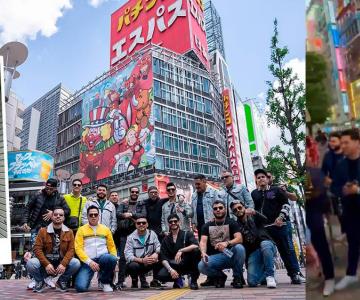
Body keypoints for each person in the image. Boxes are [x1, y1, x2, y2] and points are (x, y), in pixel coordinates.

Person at [251, 169, 302, 284]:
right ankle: (267, 276)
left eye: (263, 177)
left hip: (279, 226)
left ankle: (294, 274)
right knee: (265, 249)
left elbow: (286, 204)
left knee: (285, 251)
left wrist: (281, 217)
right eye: (258, 178)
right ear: (256, 180)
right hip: (264, 230)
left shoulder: (276, 190)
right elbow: (254, 209)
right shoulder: (254, 193)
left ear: (267, 179)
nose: (261, 179)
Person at [306, 135, 335, 296]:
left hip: (315, 214)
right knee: (315, 246)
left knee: (321, 244)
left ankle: (329, 277)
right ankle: (323, 273)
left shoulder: (316, 172)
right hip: (306, 216)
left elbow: (322, 196)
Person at [26, 207, 80, 293]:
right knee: (31, 263)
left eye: (61, 215)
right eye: (55, 214)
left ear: (64, 218)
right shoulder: (43, 231)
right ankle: (40, 281)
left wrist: (63, 264)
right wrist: (46, 264)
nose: (58, 216)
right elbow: (37, 249)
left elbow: (71, 250)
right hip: (45, 263)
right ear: (52, 217)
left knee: (76, 263)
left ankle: (61, 281)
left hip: (60, 263)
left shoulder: (69, 232)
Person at [331, 128, 360, 290]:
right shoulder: (341, 165)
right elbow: (335, 187)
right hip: (350, 211)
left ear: (357, 142)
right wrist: (343, 189)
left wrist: (357, 190)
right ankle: (350, 275)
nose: (343, 146)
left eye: (346, 142)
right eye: (341, 143)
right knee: (353, 243)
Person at [198, 200, 246, 289]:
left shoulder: (231, 222)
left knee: (239, 248)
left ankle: (237, 277)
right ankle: (220, 276)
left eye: (220, 208)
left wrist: (227, 243)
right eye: (215, 208)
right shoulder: (207, 225)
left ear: (225, 210)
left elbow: (239, 238)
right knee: (201, 266)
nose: (218, 210)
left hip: (230, 254)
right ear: (213, 211)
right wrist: (203, 253)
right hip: (216, 257)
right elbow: (203, 242)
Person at [230, 200, 277, 288]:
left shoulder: (254, 216)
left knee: (264, 244)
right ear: (233, 213)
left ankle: (270, 275)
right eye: (235, 210)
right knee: (252, 282)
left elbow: (266, 220)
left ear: (244, 207)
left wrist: (255, 212)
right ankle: (268, 269)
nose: (238, 210)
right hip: (254, 252)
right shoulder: (236, 226)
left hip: (267, 245)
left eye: (240, 208)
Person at [75, 205, 117, 292]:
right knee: (80, 288)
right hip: (88, 261)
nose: (93, 216)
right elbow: (78, 248)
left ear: (99, 216)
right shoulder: (81, 230)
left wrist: (114, 259)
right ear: (87, 216)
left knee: (111, 258)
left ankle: (104, 281)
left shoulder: (106, 229)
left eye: (95, 214)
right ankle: (88, 279)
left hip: (103, 258)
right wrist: (89, 262)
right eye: (91, 215)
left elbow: (112, 247)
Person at [158, 213, 201, 290]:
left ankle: (193, 280)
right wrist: (170, 270)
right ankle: (178, 279)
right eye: (171, 222)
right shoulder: (166, 239)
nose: (173, 223)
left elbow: (196, 245)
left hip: (187, 263)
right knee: (161, 275)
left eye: (175, 221)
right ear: (168, 224)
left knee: (196, 251)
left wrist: (181, 250)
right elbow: (163, 258)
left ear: (179, 222)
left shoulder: (187, 234)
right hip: (174, 265)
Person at [116, 186, 147, 288]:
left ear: (138, 193)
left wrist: (131, 214)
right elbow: (118, 213)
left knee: (140, 256)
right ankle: (121, 281)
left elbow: (143, 215)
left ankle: (143, 281)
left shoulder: (141, 203)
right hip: (124, 234)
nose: (134, 193)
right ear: (130, 192)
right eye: (133, 191)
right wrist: (125, 215)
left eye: (136, 192)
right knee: (123, 259)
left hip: (138, 233)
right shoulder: (123, 203)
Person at [124, 216, 162, 288]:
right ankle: (135, 280)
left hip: (150, 260)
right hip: (137, 262)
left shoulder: (152, 234)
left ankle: (155, 280)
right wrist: (142, 260)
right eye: (138, 223)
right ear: (136, 225)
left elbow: (159, 246)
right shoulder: (130, 237)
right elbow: (127, 254)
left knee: (161, 256)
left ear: (147, 224)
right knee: (132, 265)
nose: (141, 224)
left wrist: (156, 253)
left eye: (143, 223)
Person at [322, 131, 346, 240]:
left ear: (340, 141)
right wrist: (325, 178)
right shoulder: (328, 156)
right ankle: (344, 231)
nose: (331, 143)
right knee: (340, 213)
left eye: (333, 141)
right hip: (335, 190)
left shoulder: (347, 154)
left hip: (349, 188)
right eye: (330, 141)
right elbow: (323, 171)